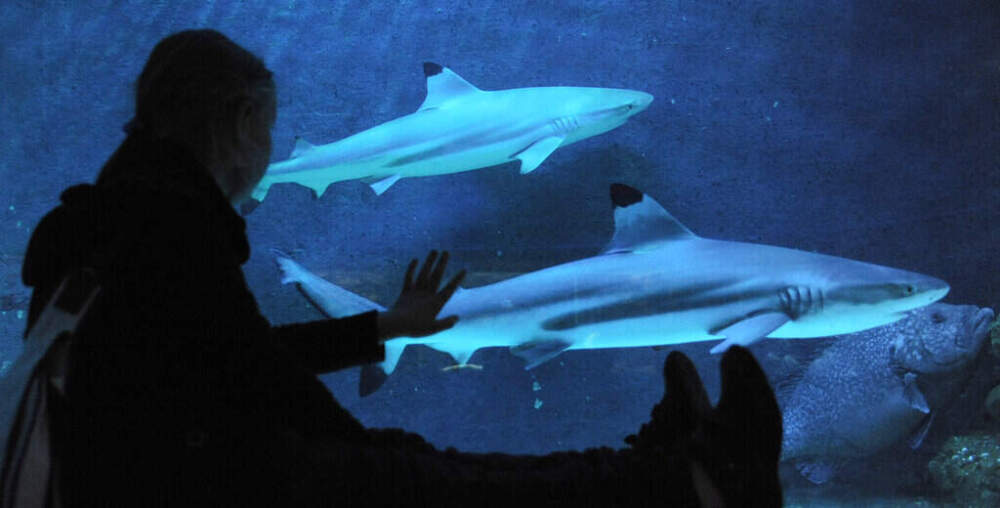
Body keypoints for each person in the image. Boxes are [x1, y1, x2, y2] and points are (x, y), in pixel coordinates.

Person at [19, 30, 782, 507]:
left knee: (424, 472)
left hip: (152, 471)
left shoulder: (103, 222)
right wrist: (366, 453)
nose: (268, 151)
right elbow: (258, 382)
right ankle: (692, 480)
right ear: (243, 125)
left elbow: (229, 360)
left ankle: (666, 471)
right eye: (271, 130)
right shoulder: (170, 231)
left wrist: (384, 327)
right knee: (432, 479)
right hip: (189, 480)